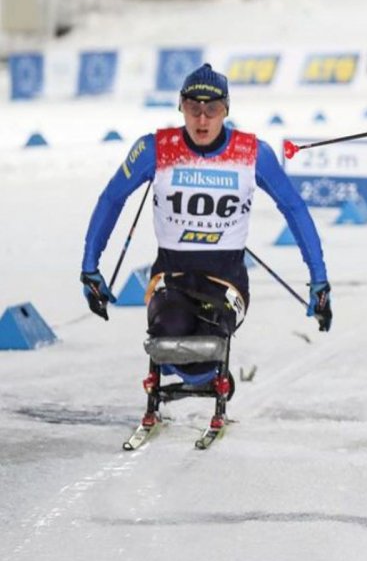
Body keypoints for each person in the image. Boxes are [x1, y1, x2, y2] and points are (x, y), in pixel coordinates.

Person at [80, 63, 331, 431]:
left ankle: (209, 374)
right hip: (172, 275)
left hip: (226, 280)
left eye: (211, 109)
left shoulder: (252, 153)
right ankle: (187, 372)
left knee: (205, 350)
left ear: (225, 110)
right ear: (180, 106)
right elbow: (111, 199)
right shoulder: (154, 149)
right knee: (170, 334)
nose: (201, 118)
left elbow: (294, 208)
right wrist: (91, 267)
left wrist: (319, 279)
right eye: (192, 107)